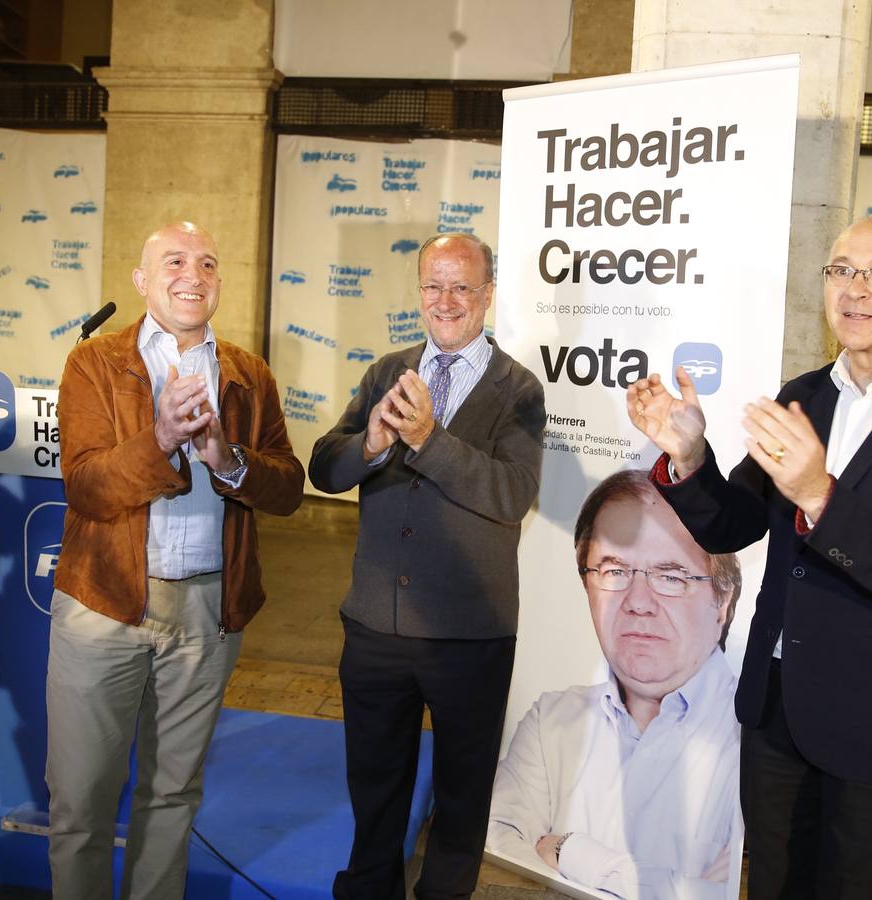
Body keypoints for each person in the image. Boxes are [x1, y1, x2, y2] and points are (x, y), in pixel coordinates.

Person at [624, 216, 872, 899]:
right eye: (841, 269)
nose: (855, 287)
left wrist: (818, 492)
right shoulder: (805, 396)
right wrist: (688, 456)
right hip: (781, 712)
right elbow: (732, 525)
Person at [47, 221, 305, 900]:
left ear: (220, 282)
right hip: (102, 606)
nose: (193, 274)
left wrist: (227, 458)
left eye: (208, 263)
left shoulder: (248, 374)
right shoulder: (94, 364)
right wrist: (161, 437)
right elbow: (87, 487)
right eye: (174, 260)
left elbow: (287, 489)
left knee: (174, 794)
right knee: (79, 799)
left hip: (206, 613)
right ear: (141, 280)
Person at [308, 232, 546, 900]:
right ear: (418, 292)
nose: (446, 301)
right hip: (376, 632)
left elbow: (512, 495)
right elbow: (324, 467)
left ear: (488, 296)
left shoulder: (518, 390)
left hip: (470, 637)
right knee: (374, 790)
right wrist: (374, 442)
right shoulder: (387, 371)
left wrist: (430, 442)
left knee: (462, 799)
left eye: (462, 287)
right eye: (433, 285)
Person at [488, 469, 743, 899]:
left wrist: (573, 852)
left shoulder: (756, 741)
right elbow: (499, 844)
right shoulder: (551, 719)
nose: (638, 602)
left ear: (722, 599)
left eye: (671, 576)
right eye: (614, 570)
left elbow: (721, 894)